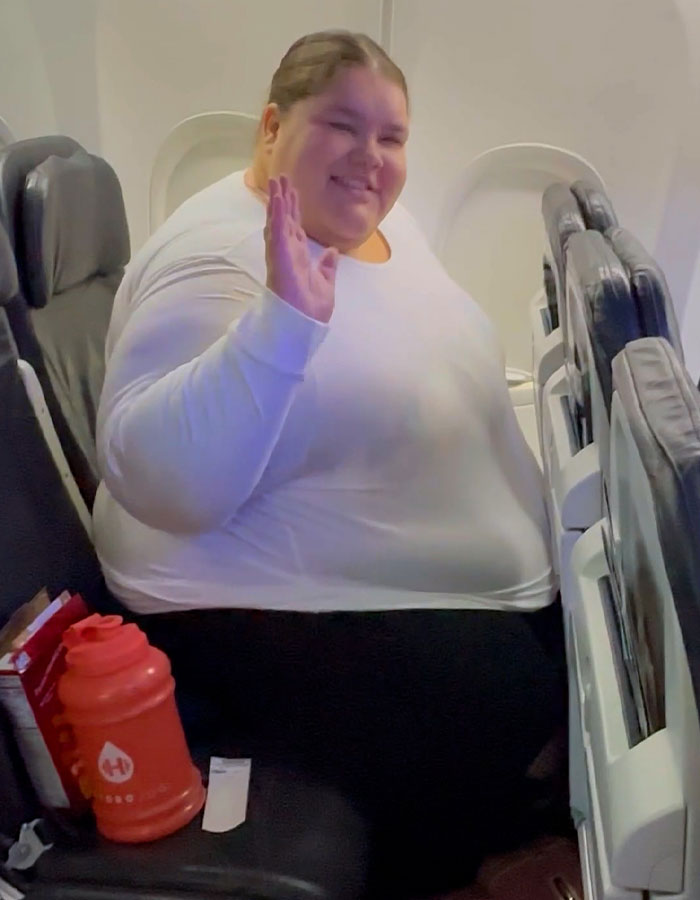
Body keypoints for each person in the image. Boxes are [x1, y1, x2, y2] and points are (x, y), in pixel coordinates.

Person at [93, 30, 566, 899]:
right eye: (342, 125)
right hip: (223, 590)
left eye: (392, 137)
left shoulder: (383, 226)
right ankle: (420, 876)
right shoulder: (218, 263)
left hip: (356, 555)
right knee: (496, 696)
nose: (372, 158)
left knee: (549, 659)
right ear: (272, 127)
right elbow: (165, 481)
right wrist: (281, 323)